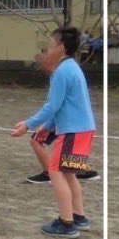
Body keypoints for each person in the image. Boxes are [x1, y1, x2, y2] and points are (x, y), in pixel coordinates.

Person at [11, 26, 96, 238]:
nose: (48, 49)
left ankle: (67, 223)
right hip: (82, 129)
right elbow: (64, 105)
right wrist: (47, 126)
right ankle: (79, 217)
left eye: (51, 44)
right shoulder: (72, 68)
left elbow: (53, 105)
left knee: (56, 172)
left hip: (73, 131)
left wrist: (28, 124)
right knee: (68, 172)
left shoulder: (62, 71)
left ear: (61, 47)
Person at [25, 51, 100, 184]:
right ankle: (84, 171)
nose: (43, 67)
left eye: (43, 63)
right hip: (75, 121)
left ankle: (49, 172)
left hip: (71, 121)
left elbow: (54, 105)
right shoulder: (69, 69)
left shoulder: (60, 73)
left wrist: (32, 124)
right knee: (68, 152)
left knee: (36, 140)